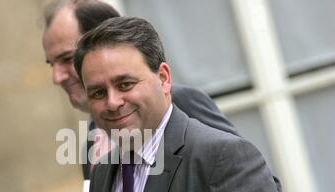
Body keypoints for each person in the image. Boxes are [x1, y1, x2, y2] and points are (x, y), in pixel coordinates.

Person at [73, 16, 303, 192]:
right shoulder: (101, 177)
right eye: (97, 92)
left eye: (125, 84)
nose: (112, 102)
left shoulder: (224, 160)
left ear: (164, 78)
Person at [42, 0, 241, 180]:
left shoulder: (181, 103)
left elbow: (250, 184)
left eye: (67, 59)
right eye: (52, 64)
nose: (56, 77)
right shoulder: (91, 142)